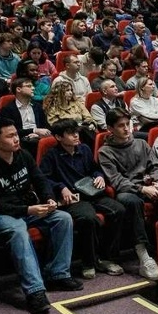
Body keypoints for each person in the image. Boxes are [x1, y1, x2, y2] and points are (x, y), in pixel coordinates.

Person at [0, 117, 81, 314]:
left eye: (16, 134)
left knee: (63, 218)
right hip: (2, 214)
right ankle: (35, 291)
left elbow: (40, 180)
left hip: (28, 208)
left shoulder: (23, 155)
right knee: (18, 231)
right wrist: (28, 210)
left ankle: (58, 273)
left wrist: (49, 198)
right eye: (10, 136)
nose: (17, 139)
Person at [39, 119, 126, 279]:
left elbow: (95, 169)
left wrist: (99, 176)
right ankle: (89, 261)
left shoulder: (84, 149)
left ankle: (107, 257)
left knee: (118, 210)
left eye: (76, 132)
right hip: (72, 197)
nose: (75, 135)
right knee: (88, 218)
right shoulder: (51, 155)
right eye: (70, 133)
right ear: (58, 137)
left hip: (91, 192)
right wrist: (61, 187)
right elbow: (43, 179)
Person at [97, 109, 158, 279]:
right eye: (121, 126)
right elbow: (117, 181)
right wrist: (142, 189)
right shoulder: (105, 151)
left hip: (149, 186)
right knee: (131, 201)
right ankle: (143, 254)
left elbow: (155, 166)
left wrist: (157, 181)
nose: (126, 129)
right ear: (110, 128)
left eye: (128, 124)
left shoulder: (141, 143)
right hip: (128, 191)